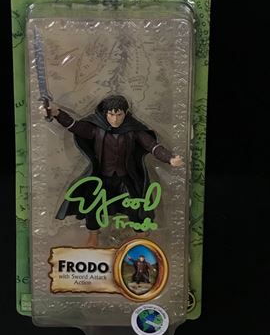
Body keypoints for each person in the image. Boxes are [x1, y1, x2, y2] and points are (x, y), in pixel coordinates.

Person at [46, 94, 183, 247]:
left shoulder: (133, 129)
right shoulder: (97, 129)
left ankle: (141, 235)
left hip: (126, 177)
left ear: (125, 113)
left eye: (119, 115)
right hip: (102, 177)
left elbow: (152, 146)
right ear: (105, 114)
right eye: (111, 114)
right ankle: (93, 235)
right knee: (93, 204)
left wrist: (169, 158)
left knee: (135, 205)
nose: (115, 119)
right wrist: (57, 113)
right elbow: (75, 126)